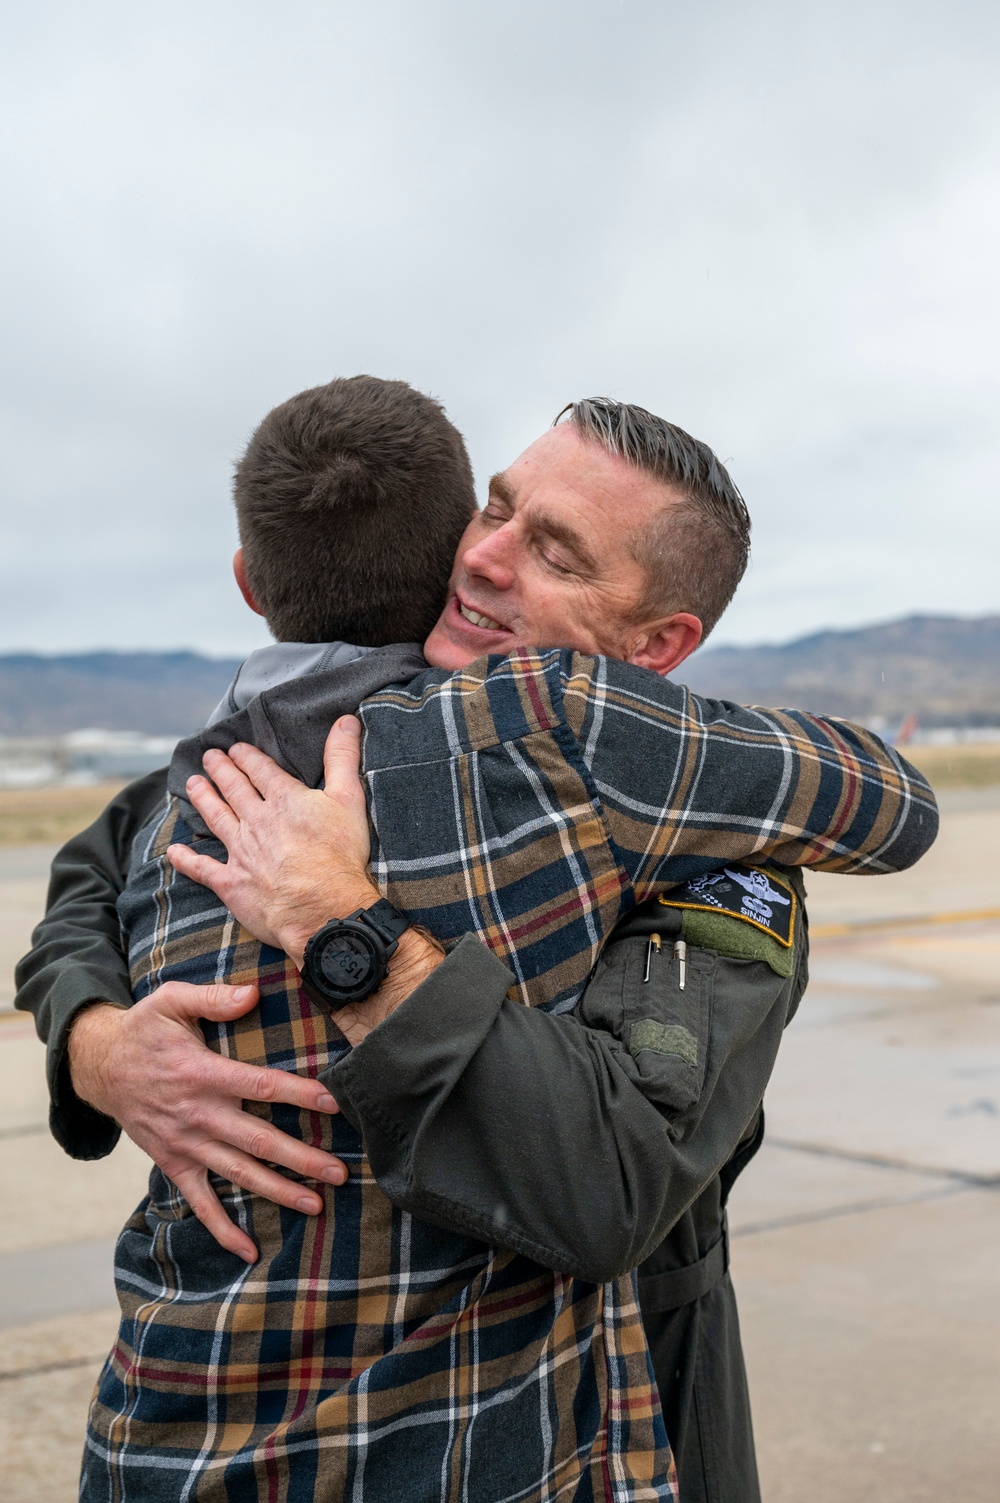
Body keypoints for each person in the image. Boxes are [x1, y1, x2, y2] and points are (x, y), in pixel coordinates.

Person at [16, 388, 938, 1501]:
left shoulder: (711, 847)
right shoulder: (268, 767)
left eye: (556, 552)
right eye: (493, 509)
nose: (486, 558)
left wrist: (341, 927)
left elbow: (600, 1191)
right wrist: (99, 1043)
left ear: (657, 645)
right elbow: (94, 865)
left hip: (601, 1416)